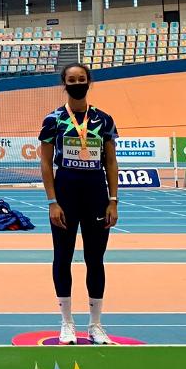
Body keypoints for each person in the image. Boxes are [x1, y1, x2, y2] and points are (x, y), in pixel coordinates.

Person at [39, 62, 120, 346]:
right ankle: (67, 323)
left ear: (89, 82)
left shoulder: (104, 120)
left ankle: (96, 325)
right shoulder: (53, 120)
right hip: (65, 194)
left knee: (95, 259)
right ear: (64, 83)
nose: (77, 83)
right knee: (63, 257)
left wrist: (113, 200)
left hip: (97, 194)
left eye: (81, 79)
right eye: (71, 79)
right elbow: (46, 164)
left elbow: (110, 161)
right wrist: (52, 201)